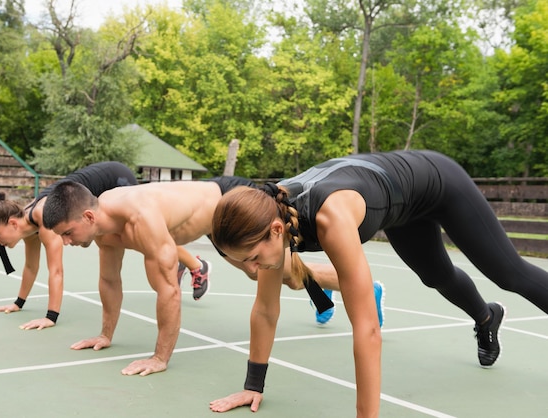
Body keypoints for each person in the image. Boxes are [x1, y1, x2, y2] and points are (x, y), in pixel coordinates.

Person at [208, 150, 548, 416]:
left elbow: (368, 329)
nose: (251, 269)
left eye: (251, 258)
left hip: (439, 182)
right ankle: (487, 317)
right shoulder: (270, 217)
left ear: (277, 231)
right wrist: (254, 385)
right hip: (402, 203)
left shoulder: (330, 219)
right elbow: (266, 311)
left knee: (510, 274)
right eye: (241, 261)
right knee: (436, 276)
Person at [40, 177, 385, 377]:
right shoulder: (102, 229)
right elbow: (110, 281)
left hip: (225, 200)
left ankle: (362, 289)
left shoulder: (139, 218)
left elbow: (169, 292)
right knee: (285, 278)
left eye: (67, 233)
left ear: (87, 216)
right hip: (205, 222)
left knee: (285, 276)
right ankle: (364, 289)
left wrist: (160, 358)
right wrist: (105, 334)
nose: (65, 242)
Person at [0, 161, 210, 330]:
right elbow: (31, 268)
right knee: (143, 240)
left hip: (114, 177)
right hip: (95, 185)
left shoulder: (42, 216)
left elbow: (56, 271)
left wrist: (51, 316)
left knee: (147, 237)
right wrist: (18, 303)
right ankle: (194, 264)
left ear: (12, 223)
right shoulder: (28, 224)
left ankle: (197, 266)